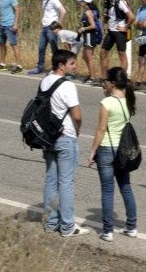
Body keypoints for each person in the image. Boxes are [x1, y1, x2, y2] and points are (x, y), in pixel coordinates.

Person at [41, 50, 89, 236]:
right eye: (72, 63)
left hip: (48, 138)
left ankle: (51, 223)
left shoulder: (45, 81)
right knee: (66, 182)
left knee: (51, 180)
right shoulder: (67, 86)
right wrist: (77, 131)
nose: (75, 66)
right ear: (62, 65)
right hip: (65, 137)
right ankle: (68, 226)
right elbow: (76, 115)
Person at [88, 67, 138, 242]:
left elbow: (101, 129)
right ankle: (132, 226)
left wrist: (93, 150)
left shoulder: (107, 103)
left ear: (113, 83)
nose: (104, 85)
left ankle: (108, 231)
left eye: (106, 82)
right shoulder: (129, 101)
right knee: (126, 186)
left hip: (107, 149)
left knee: (107, 190)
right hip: (123, 150)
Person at [28, 0, 66, 75]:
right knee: (41, 48)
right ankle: (40, 67)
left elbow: (63, 11)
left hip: (51, 28)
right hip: (44, 27)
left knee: (54, 49)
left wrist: (58, 25)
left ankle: (56, 69)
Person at [101, 0, 135, 77]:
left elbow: (132, 17)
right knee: (103, 53)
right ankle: (105, 78)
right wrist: (105, 24)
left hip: (120, 32)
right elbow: (107, 16)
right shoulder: (108, 2)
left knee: (122, 55)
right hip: (111, 32)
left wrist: (126, 27)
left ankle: (122, 79)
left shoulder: (120, 2)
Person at [0, 0, 23, 74]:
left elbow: (18, 10)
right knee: (2, 44)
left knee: (14, 45)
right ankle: (2, 63)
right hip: (2, 25)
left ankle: (19, 66)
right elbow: (1, 11)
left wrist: (15, 24)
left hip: (10, 25)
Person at [75, 0, 100, 86]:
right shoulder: (89, 11)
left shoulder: (88, 12)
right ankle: (91, 75)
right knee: (84, 57)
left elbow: (93, 25)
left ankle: (93, 78)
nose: (80, 2)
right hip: (88, 36)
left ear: (85, 2)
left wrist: (83, 29)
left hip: (90, 36)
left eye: (81, 1)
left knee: (89, 57)